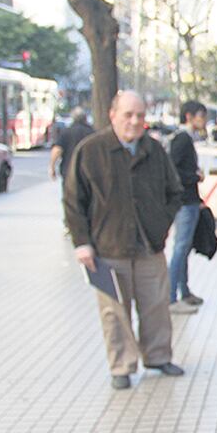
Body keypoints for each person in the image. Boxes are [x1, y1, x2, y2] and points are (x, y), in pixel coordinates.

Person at [63, 90, 185, 390]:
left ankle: (158, 357)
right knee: (114, 311)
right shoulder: (91, 150)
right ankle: (122, 365)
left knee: (156, 306)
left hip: (148, 245)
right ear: (112, 114)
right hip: (108, 246)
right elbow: (73, 201)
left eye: (140, 116)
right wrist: (82, 243)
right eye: (128, 114)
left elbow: (175, 192)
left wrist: (161, 224)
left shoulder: (154, 150)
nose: (134, 121)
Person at [168, 100, 207, 312]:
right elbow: (172, 169)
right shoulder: (182, 139)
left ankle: (183, 291)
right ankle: (171, 297)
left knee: (183, 249)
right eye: (201, 116)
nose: (204, 121)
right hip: (184, 201)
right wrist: (194, 176)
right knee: (180, 249)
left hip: (188, 200)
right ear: (190, 117)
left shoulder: (184, 138)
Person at [49, 107, 94, 181]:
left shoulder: (66, 132)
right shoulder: (91, 132)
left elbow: (57, 150)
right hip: (88, 171)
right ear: (85, 118)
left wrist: (52, 167)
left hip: (69, 171)